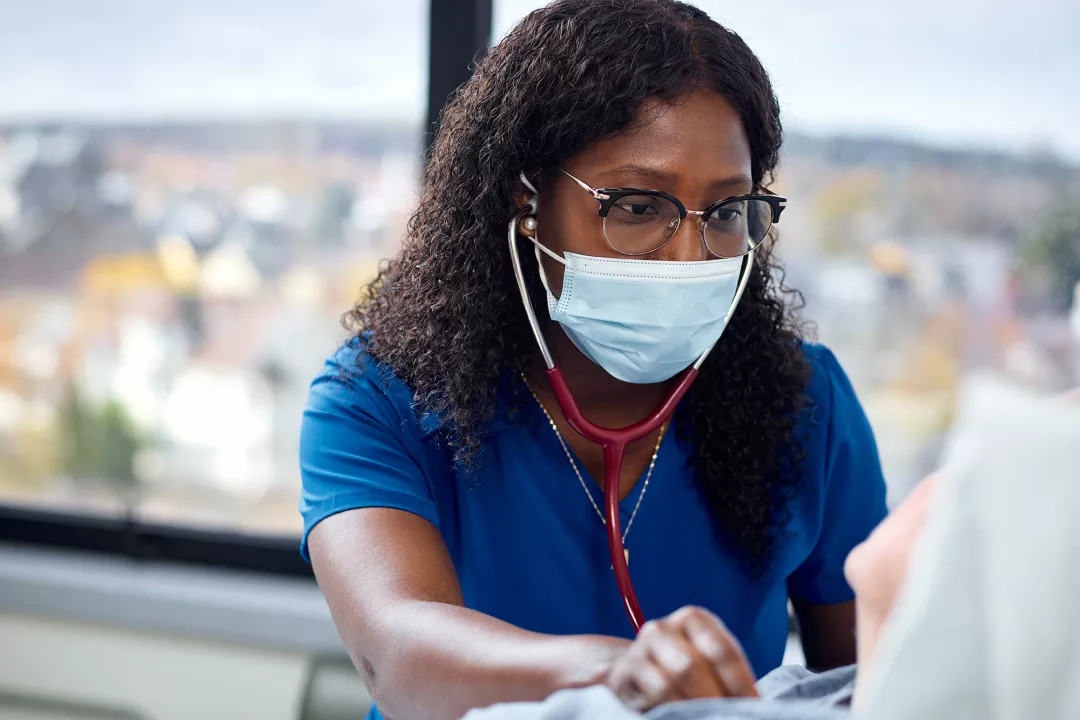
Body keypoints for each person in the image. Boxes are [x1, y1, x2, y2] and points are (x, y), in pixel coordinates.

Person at [299, 1, 888, 719]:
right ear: (526, 201)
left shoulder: (808, 404)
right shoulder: (374, 399)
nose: (688, 256)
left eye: (728, 213)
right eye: (639, 206)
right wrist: (615, 672)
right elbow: (395, 655)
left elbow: (876, 683)